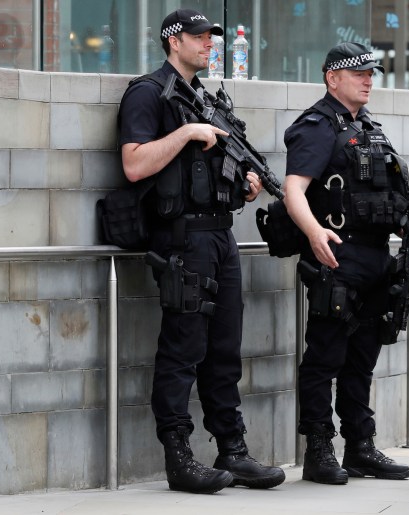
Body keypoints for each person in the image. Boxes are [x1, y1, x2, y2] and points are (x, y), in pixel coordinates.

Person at [117, 9, 285, 494]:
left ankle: (233, 450)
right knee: (183, 346)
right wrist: (188, 133)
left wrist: (245, 187)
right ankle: (179, 456)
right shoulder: (149, 93)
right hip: (181, 238)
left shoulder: (203, 100)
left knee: (224, 350)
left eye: (211, 37)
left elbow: (208, 177)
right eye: (198, 37)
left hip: (219, 235)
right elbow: (133, 164)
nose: (208, 44)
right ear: (174, 42)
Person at [282, 42, 409, 485]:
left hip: (376, 257)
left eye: (371, 73)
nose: (368, 79)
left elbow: (388, 194)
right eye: (358, 73)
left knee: (362, 358)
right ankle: (319, 449)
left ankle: (360, 446)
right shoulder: (316, 126)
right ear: (332, 77)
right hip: (337, 256)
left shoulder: (369, 127)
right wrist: (313, 231)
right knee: (325, 357)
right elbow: (293, 190)